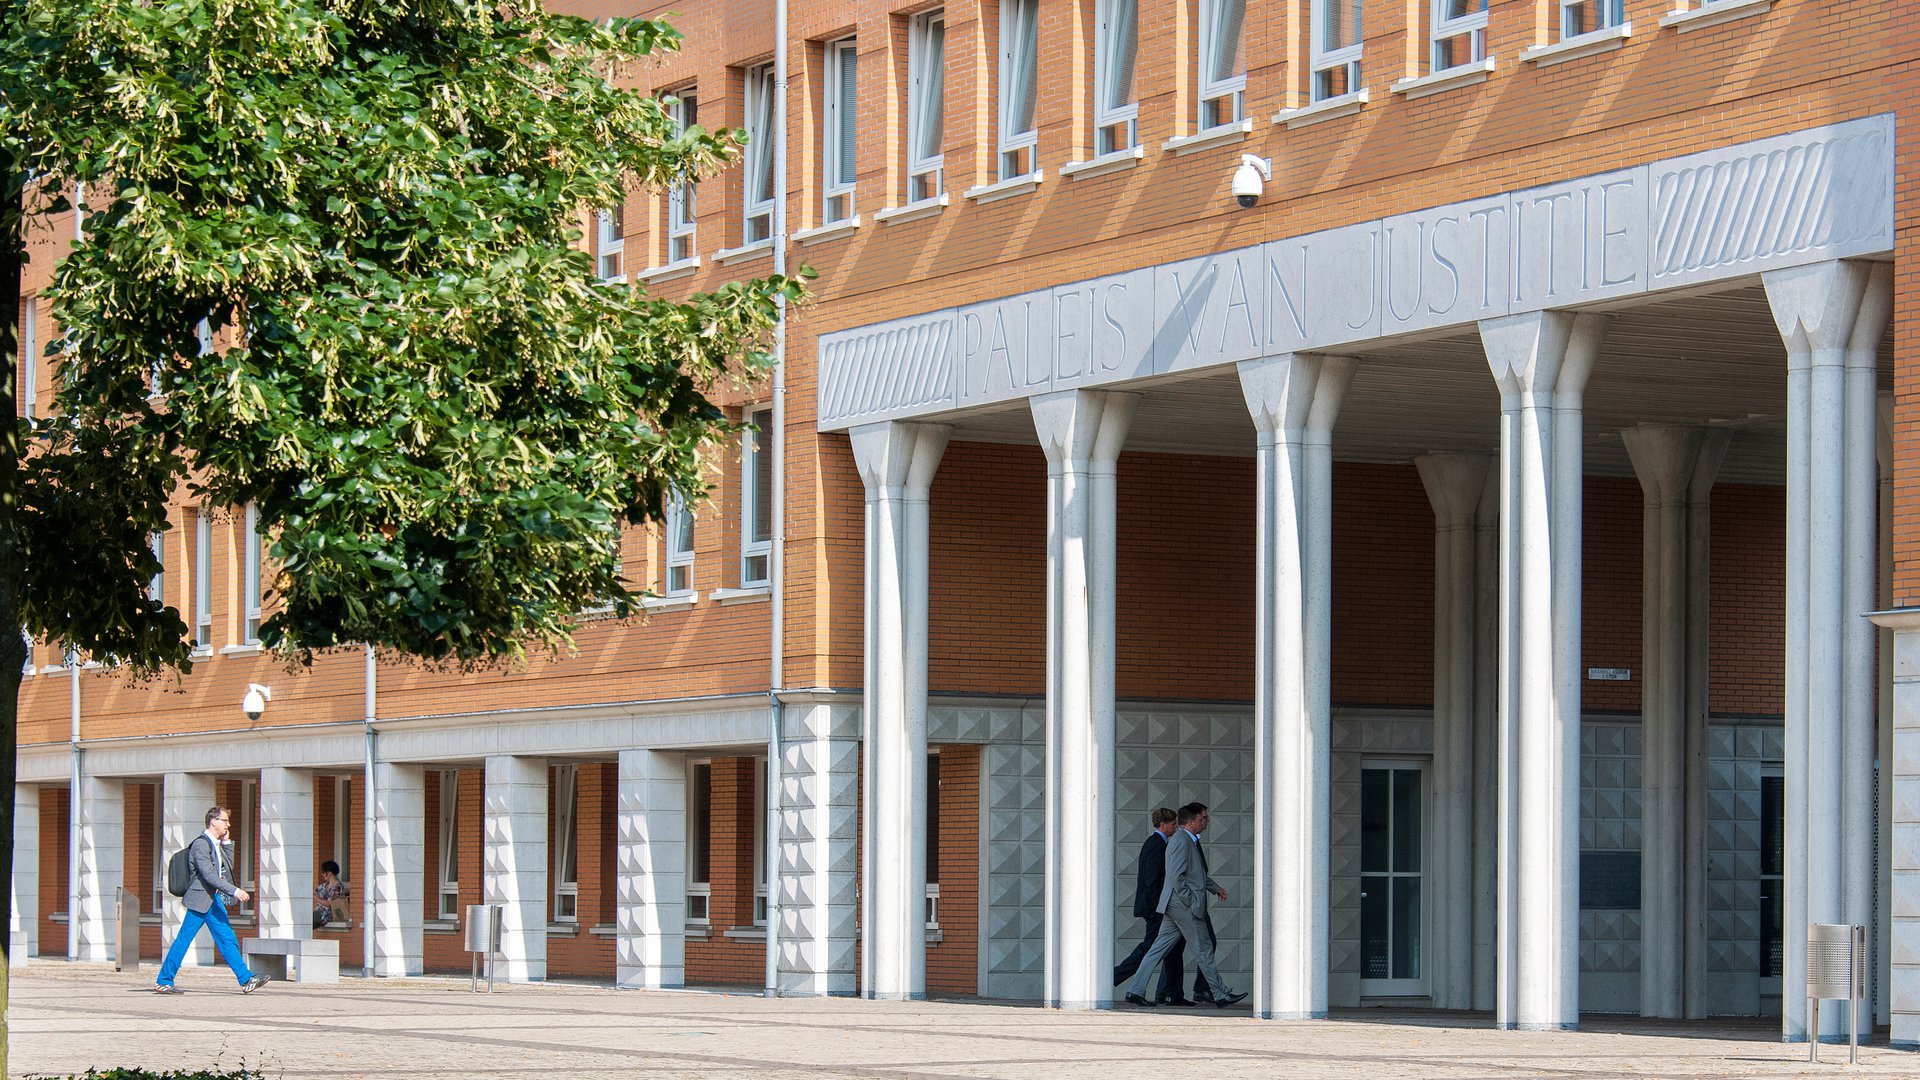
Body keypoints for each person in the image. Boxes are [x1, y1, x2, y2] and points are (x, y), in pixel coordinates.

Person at [1123, 802, 1245, 1008]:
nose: (1207, 821)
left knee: (1157, 950)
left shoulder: (1185, 839)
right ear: (1191, 821)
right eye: (1203, 818)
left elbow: (1194, 874)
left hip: (1175, 904)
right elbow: (1175, 875)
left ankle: (1135, 990)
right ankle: (1220, 994)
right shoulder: (1181, 840)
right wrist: (1191, 901)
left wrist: (1214, 888)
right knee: (1204, 948)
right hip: (1183, 905)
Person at [154, 805, 269, 995]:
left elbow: (227, 868)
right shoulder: (201, 844)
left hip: (211, 899)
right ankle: (164, 980)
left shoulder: (215, 843)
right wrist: (234, 891)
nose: (228, 824)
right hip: (200, 899)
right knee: (184, 940)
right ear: (213, 821)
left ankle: (246, 979)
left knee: (227, 938)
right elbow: (209, 875)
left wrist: (227, 843)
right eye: (225, 821)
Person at [1112, 807, 1189, 1004]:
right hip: (1155, 908)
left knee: (1174, 948)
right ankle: (1113, 977)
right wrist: (1159, 908)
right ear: (1162, 824)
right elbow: (1152, 880)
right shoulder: (1157, 845)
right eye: (1172, 824)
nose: (1175, 828)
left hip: (1155, 906)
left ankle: (1171, 993)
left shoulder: (1155, 843)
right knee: (1149, 948)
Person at [313, 860, 350, 929]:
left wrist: (315, 897)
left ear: (329, 872)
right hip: (319, 913)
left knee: (307, 922)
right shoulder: (325, 885)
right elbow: (315, 889)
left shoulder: (337, 887)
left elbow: (329, 903)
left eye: (323, 872)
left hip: (328, 915)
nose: (322, 874)